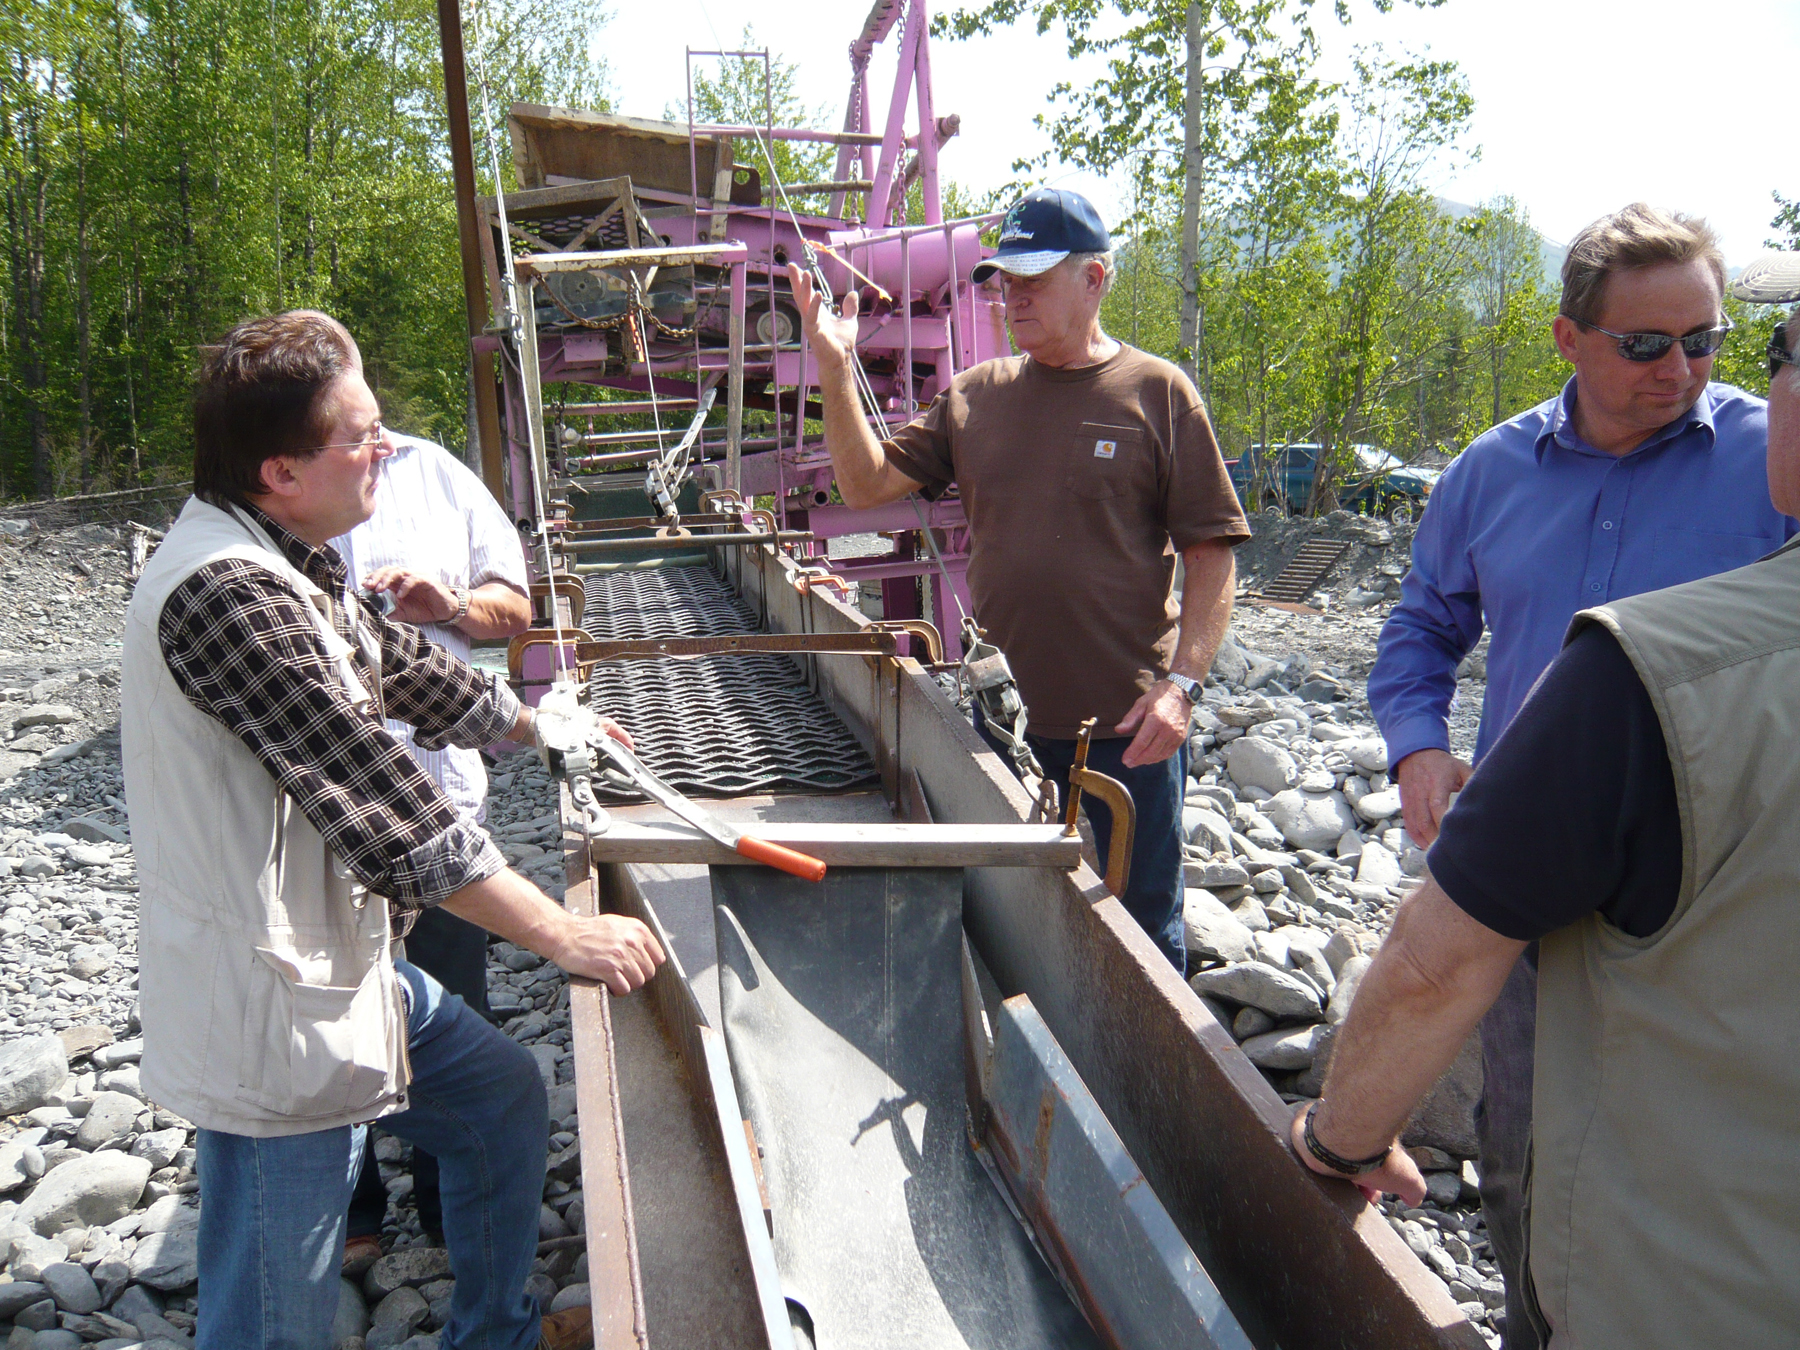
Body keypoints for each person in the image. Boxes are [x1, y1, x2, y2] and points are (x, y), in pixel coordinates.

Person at [122, 310, 665, 1350]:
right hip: (272, 999)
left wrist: (531, 721)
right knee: (274, 1316)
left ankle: (490, 1333)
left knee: (500, 1099)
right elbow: (395, 817)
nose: (388, 452)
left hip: (338, 964)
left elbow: (404, 667)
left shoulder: (289, 555)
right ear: (281, 469)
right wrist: (561, 935)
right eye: (362, 436)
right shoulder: (229, 596)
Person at [1291, 264, 1800, 1350]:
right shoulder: (1491, 469)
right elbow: (1423, 623)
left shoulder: (1771, 457)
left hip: (1719, 881)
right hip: (1527, 881)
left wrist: (1338, 1139)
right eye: (1647, 346)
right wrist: (1419, 746)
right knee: (1524, 1137)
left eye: (1707, 343)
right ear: (1569, 338)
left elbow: (1426, 971)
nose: (1684, 370)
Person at [790, 187, 1248, 973]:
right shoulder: (974, 398)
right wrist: (833, 365)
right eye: (1005, 278)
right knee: (1025, 929)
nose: (1013, 295)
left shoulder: (1158, 394)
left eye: (1034, 278)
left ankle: (1146, 1090)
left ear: (1096, 278)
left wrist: (1183, 688)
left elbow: (1213, 557)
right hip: (1001, 731)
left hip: (1126, 739)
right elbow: (864, 487)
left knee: (1141, 941)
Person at [329, 398, 533, 1266]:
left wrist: (445, 602)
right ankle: (352, 1211)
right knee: (335, 1018)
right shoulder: (268, 520)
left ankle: (450, 1209)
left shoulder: (437, 475)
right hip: (328, 821)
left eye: (374, 426)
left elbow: (512, 612)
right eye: (351, 428)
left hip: (439, 796)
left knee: (451, 1007)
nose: (372, 444)